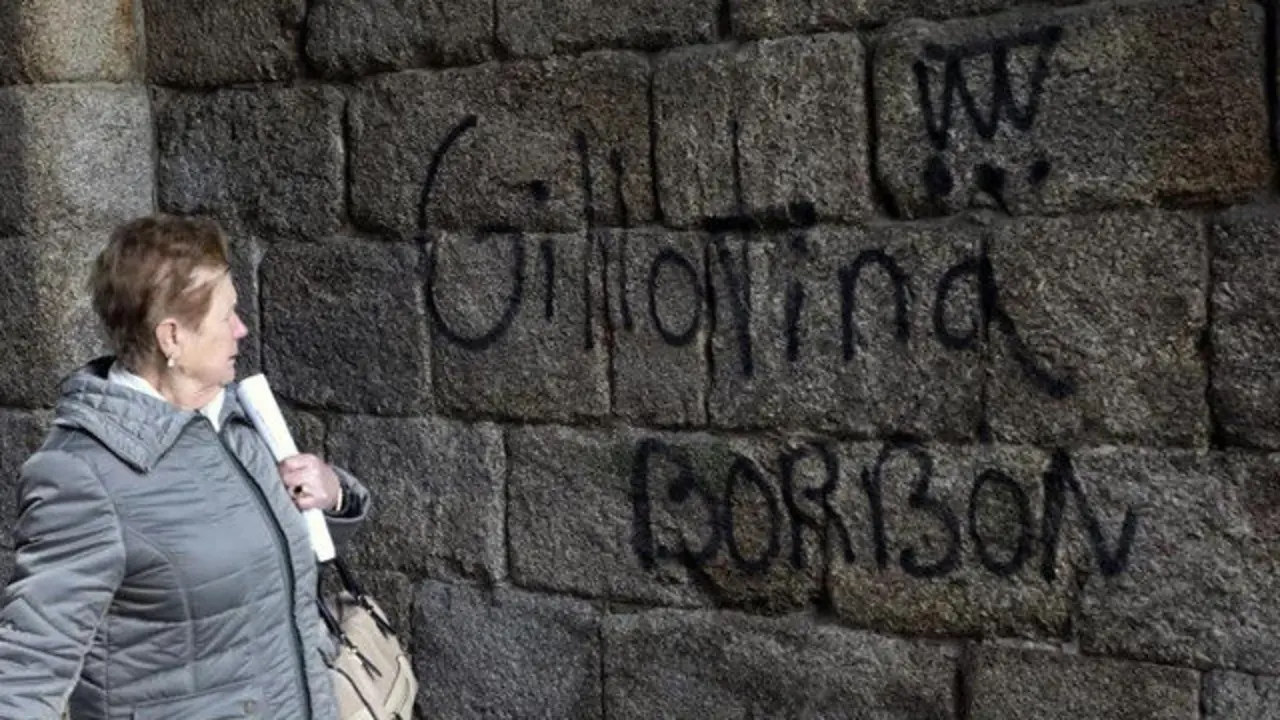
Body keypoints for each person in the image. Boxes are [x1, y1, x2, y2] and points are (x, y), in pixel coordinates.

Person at [0, 214, 370, 718]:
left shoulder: (238, 423)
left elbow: (268, 565)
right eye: (227, 316)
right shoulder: (79, 475)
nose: (242, 329)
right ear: (171, 338)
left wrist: (334, 495)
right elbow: (30, 664)